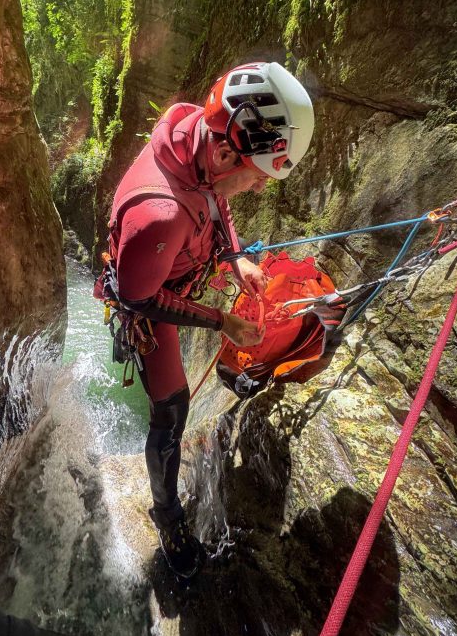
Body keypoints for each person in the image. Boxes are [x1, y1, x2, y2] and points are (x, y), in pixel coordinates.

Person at [96, 61, 314, 578]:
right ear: (225, 154)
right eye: (258, 176)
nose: (259, 188)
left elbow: (216, 203)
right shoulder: (159, 214)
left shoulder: (200, 135)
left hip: (167, 270)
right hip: (148, 300)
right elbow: (140, 298)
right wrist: (221, 321)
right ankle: (168, 517)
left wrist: (235, 260)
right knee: (171, 412)